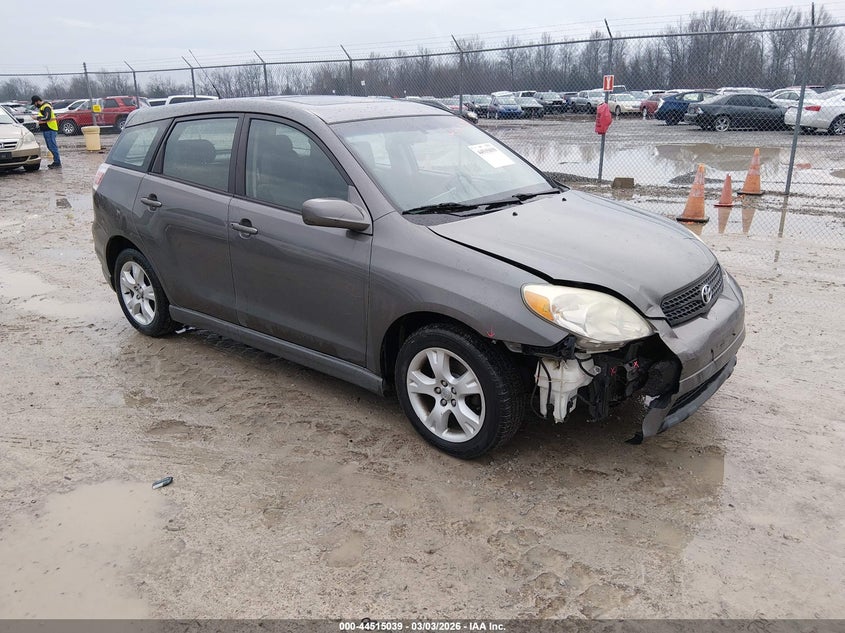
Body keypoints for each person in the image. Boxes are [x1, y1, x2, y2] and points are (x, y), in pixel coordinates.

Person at [31, 95, 61, 168]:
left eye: (34, 103)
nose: (35, 105)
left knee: (52, 146)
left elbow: (47, 117)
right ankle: (56, 161)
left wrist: (36, 117)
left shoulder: (46, 106)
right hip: (47, 129)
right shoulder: (42, 107)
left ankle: (57, 162)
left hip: (50, 129)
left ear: (37, 101)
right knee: (50, 146)